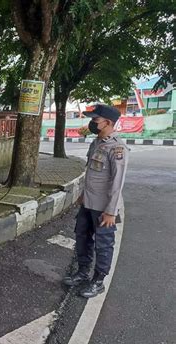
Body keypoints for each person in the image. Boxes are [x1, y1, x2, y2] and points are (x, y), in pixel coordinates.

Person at [63, 104, 129, 298]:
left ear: (108, 122)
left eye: (95, 120)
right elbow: (91, 174)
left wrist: (111, 212)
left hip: (104, 208)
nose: (91, 123)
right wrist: (83, 195)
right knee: (82, 237)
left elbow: (117, 183)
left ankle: (98, 280)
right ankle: (82, 272)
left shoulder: (117, 148)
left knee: (103, 243)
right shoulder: (96, 143)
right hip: (88, 203)